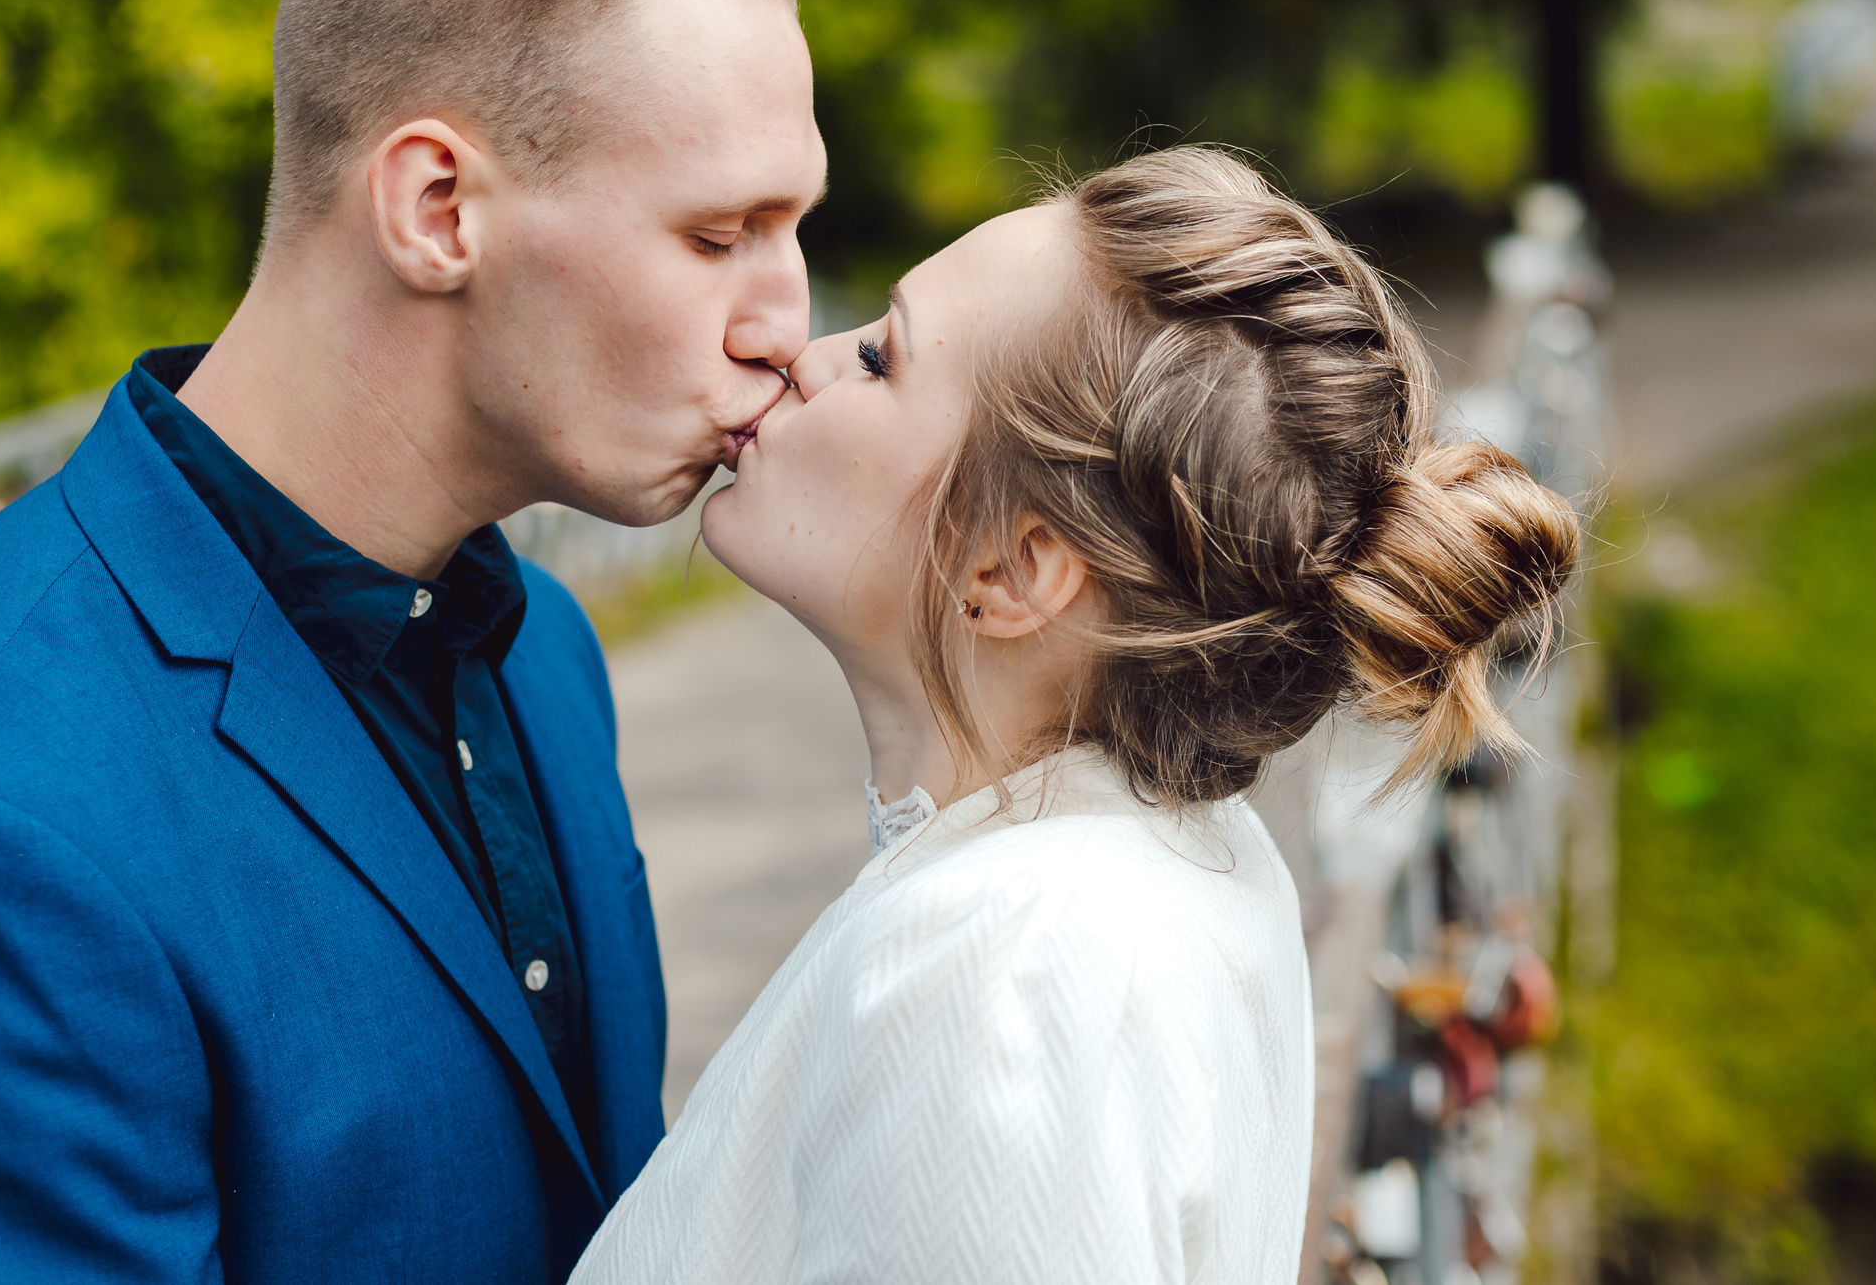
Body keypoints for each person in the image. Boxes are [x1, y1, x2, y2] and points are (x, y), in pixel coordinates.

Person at [0, 0, 827, 1283]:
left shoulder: (539, 646)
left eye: (796, 225)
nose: (786, 324)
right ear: (438, 206)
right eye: (718, 234)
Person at [572, 146, 1581, 1285]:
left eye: (880, 356)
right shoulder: (1173, 869)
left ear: (1014, 570)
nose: (800, 361)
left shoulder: (1010, 972)